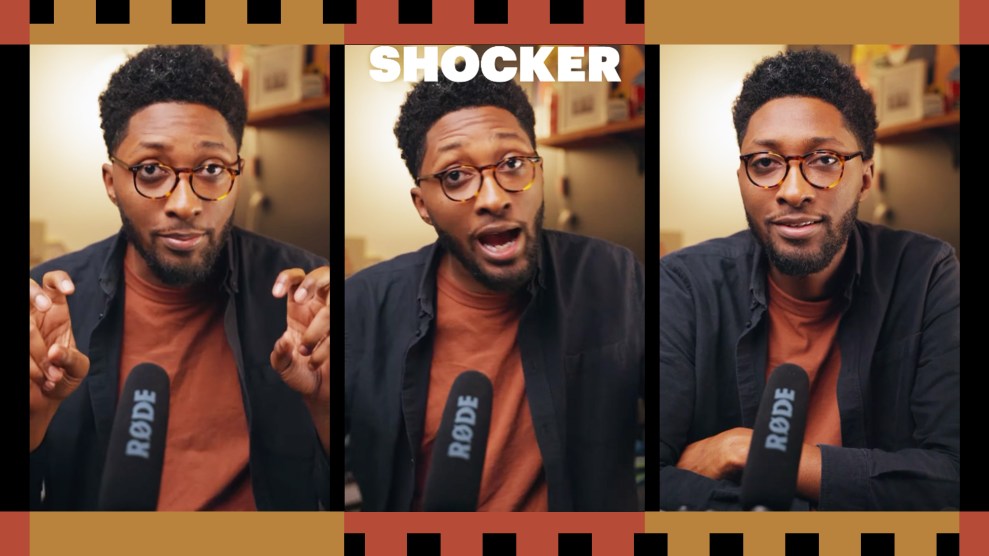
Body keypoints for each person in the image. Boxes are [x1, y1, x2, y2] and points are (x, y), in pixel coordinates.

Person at [29, 45, 330, 510]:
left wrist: (332, 409)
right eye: (151, 171)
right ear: (111, 182)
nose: (185, 204)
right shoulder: (47, 307)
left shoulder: (309, 301)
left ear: (238, 175)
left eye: (211, 170)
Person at [659, 49, 959, 510]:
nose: (792, 190)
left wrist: (753, 454)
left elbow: (950, 479)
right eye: (764, 162)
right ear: (741, 176)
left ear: (865, 176)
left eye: (823, 159)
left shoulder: (927, 275)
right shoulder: (683, 286)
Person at [344, 66, 645, 511]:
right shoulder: (363, 306)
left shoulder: (615, 278)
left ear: (539, 174)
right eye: (455, 176)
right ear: (422, 204)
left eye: (512, 164)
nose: (493, 198)